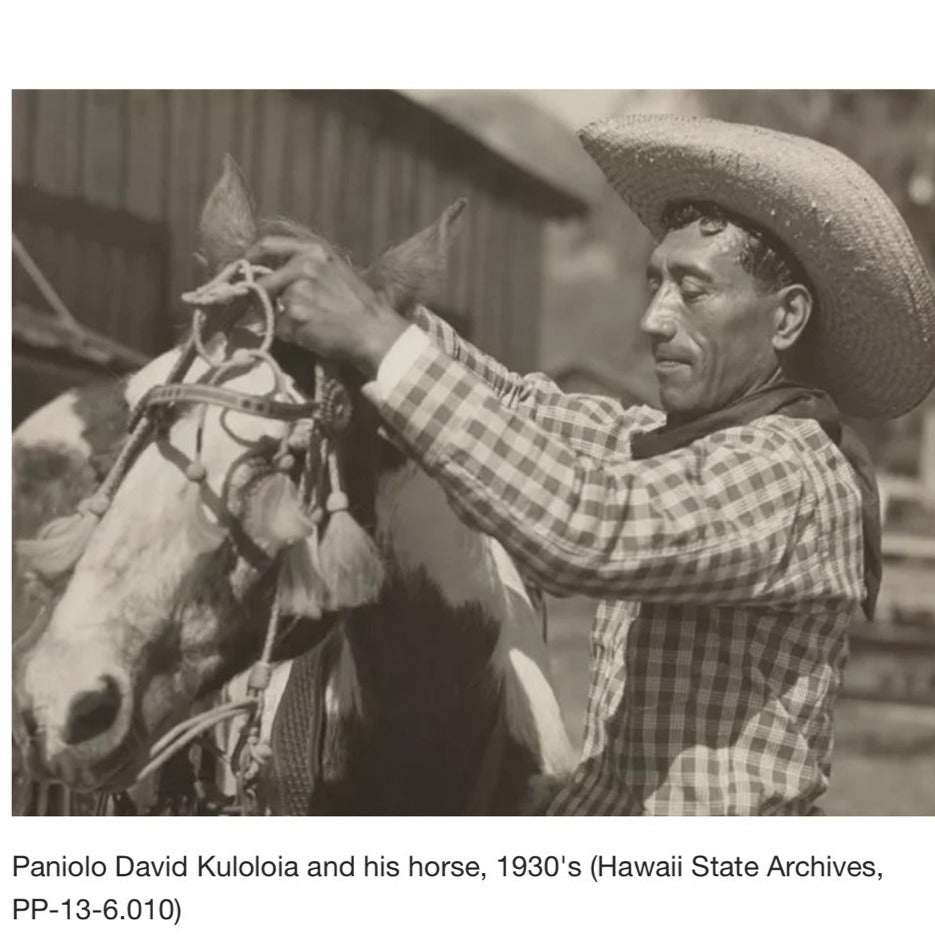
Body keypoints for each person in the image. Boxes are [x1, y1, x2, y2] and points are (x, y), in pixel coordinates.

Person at [248, 114, 935, 815]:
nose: (654, 318)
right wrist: (379, 304)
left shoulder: (792, 476)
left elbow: (586, 525)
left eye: (692, 290)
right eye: (654, 284)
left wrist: (374, 333)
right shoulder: (671, 446)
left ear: (785, 318)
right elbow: (519, 404)